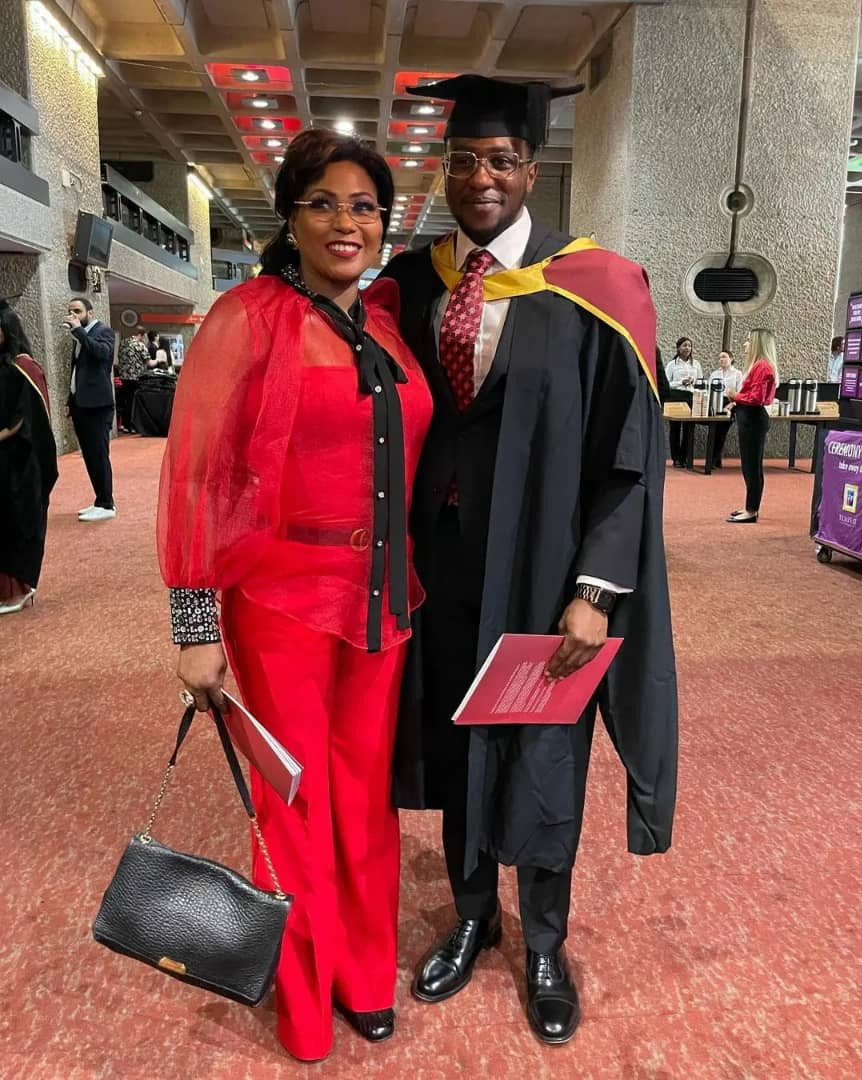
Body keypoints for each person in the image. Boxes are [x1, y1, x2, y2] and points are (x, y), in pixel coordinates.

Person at [377, 75, 677, 1046]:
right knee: (463, 742)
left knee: (546, 753)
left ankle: (543, 941)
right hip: (446, 573)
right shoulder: (413, 284)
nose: (480, 177)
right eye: (462, 159)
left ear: (531, 167)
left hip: (551, 576)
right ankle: (473, 916)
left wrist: (596, 590)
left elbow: (628, 456)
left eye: (500, 159)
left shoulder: (598, 284)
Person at [157, 128, 432, 1062]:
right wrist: (195, 626)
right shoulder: (250, 317)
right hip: (278, 605)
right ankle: (306, 998)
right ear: (292, 214)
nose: (346, 221)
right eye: (326, 202)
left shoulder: (387, 325)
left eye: (365, 206)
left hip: (381, 602)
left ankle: (365, 972)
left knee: (365, 799)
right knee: (294, 800)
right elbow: (195, 475)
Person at [0, 303, 58, 614]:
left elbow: (24, 420)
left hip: (16, 462)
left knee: (14, 522)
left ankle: (17, 590)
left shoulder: (23, 368)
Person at [65, 297, 117, 521]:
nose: (73, 315)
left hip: (98, 405)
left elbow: (102, 355)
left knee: (98, 453)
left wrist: (79, 333)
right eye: (70, 311)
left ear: (90, 312)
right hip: (81, 404)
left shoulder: (103, 332)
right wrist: (71, 400)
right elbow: (77, 372)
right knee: (89, 455)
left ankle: (107, 503)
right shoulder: (79, 338)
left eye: (77, 310)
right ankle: (99, 500)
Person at [725, 329, 779, 523]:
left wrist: (734, 395)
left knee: (752, 467)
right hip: (749, 418)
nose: (745, 345)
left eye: (748, 341)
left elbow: (756, 399)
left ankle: (751, 510)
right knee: (749, 466)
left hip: (753, 420)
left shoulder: (763, 367)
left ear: (757, 344)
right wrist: (736, 402)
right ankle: (750, 507)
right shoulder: (759, 366)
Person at [665, 336, 702, 467]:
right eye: (684, 345)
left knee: (689, 428)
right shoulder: (672, 364)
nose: (687, 348)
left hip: (690, 396)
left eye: (689, 346)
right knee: (675, 427)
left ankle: (685, 456)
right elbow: (666, 384)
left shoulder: (696, 364)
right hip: (675, 395)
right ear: (678, 348)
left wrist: (694, 382)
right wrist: (681, 382)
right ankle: (676, 458)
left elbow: (700, 381)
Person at [707, 349, 743, 467]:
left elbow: (740, 392)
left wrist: (733, 404)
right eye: (720, 358)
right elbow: (709, 390)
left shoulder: (737, 374)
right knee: (713, 430)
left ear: (731, 359)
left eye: (724, 357)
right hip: (715, 401)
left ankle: (713, 459)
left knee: (721, 431)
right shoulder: (714, 374)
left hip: (730, 402)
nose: (721, 360)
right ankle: (714, 459)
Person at [116, 326, 151, 432]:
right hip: (136, 377)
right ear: (140, 335)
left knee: (127, 400)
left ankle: (125, 425)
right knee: (135, 401)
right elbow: (148, 362)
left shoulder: (122, 343)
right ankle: (134, 425)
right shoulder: (140, 345)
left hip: (124, 377)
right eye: (143, 336)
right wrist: (159, 360)